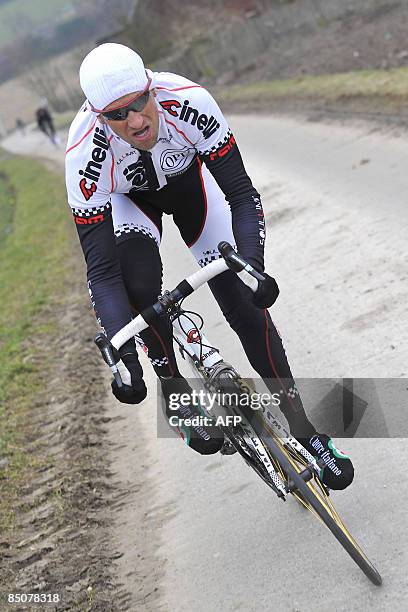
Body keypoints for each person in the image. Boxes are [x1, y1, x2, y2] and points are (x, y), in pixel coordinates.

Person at [65, 43, 353, 490]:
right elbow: (102, 273)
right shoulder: (84, 154)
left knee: (243, 300)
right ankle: (175, 389)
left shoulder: (187, 100)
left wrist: (252, 267)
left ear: (150, 86)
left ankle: (305, 430)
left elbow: (241, 193)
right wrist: (124, 358)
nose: (137, 121)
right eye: (118, 116)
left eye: (141, 103)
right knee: (137, 284)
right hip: (126, 205)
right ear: (98, 116)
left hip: (190, 190)